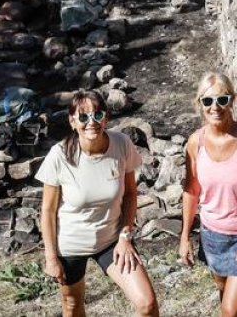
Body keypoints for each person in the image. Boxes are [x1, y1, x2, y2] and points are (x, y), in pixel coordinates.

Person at [38, 91, 158, 317]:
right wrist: (51, 258)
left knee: (147, 304)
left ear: (106, 118)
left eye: (97, 115)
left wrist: (125, 236)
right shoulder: (59, 156)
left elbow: (131, 195)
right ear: (72, 121)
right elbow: (48, 210)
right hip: (70, 245)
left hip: (111, 240)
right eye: (83, 117)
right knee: (72, 306)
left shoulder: (121, 144)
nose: (91, 122)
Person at [180, 73, 237, 317]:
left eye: (222, 99)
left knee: (231, 311)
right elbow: (191, 190)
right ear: (199, 103)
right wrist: (184, 236)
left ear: (232, 100)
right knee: (224, 298)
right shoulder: (195, 143)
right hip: (212, 236)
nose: (215, 107)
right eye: (208, 101)